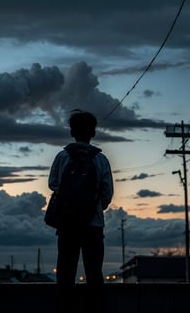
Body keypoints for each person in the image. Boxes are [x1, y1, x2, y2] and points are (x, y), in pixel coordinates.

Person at [48, 109, 114, 312]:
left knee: (66, 273)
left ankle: (64, 309)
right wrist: (94, 207)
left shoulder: (62, 157)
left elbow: (53, 184)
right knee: (94, 272)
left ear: (72, 132)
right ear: (93, 132)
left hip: (67, 225)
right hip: (93, 226)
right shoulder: (100, 160)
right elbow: (107, 193)